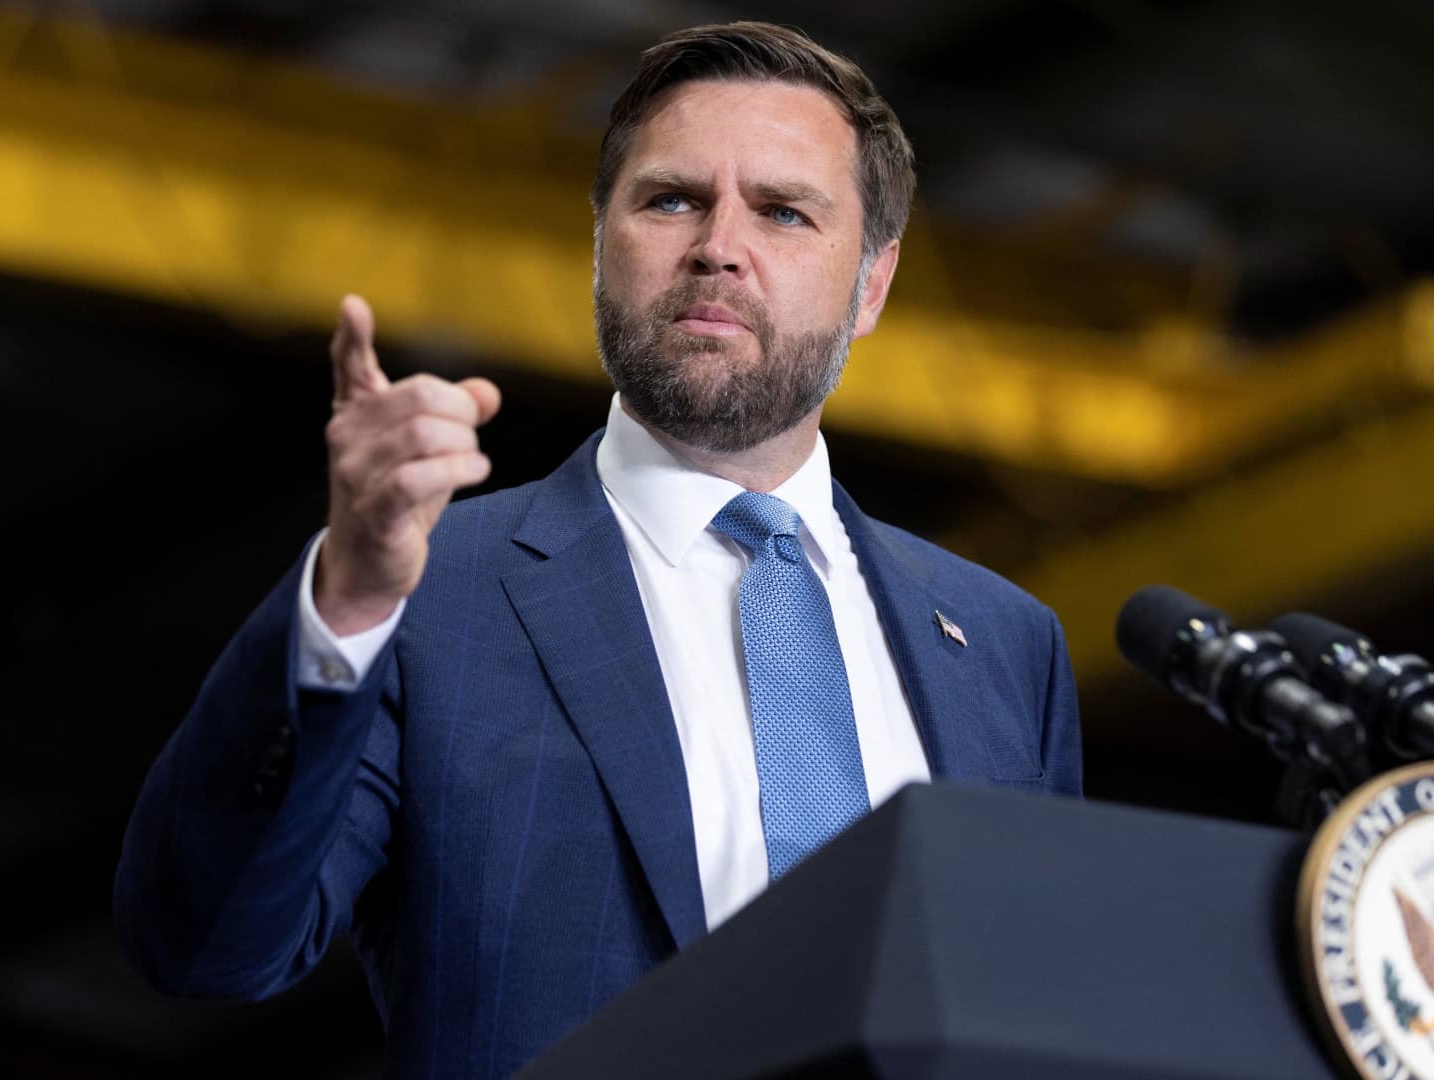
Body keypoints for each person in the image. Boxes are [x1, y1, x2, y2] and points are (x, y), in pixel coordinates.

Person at [115, 21, 1081, 1079]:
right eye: (670, 200)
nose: (718, 246)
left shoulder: (1003, 644)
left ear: (873, 285)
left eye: (784, 212)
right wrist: (346, 603)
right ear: (600, 242)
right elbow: (206, 943)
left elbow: (1049, 1019)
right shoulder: (435, 592)